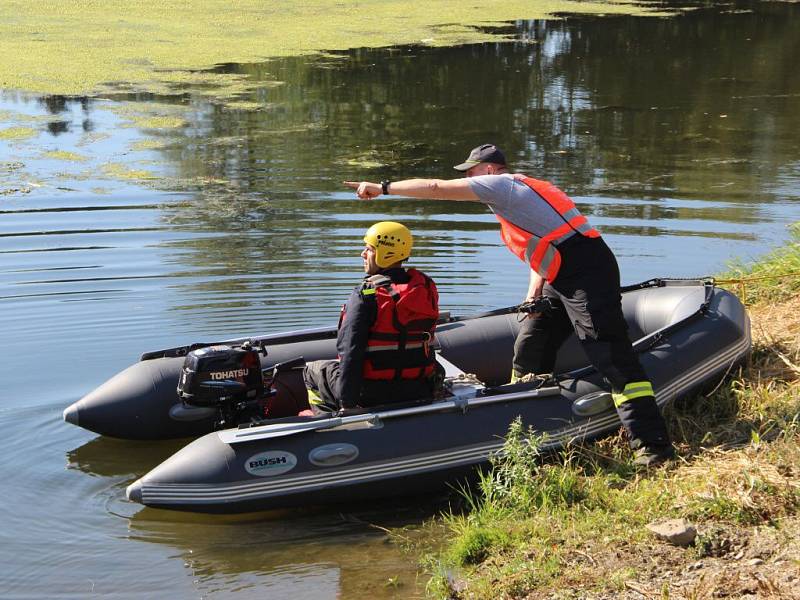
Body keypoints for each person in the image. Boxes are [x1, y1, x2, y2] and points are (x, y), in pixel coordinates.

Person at [343, 144, 674, 467]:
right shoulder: (517, 198)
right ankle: (524, 423)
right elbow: (544, 247)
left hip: (587, 274)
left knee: (609, 353)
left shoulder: (502, 186)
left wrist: (382, 188)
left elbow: (436, 187)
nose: (466, 180)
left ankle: (652, 445)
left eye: (470, 173)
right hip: (564, 274)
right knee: (533, 342)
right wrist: (534, 295)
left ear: (487, 170)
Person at [303, 221, 440, 412]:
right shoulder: (426, 287)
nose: (362, 254)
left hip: (370, 394)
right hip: (418, 389)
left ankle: (324, 418)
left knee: (312, 370)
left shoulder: (366, 294)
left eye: (368, 249)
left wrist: (348, 403)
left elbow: (350, 352)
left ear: (384, 253)